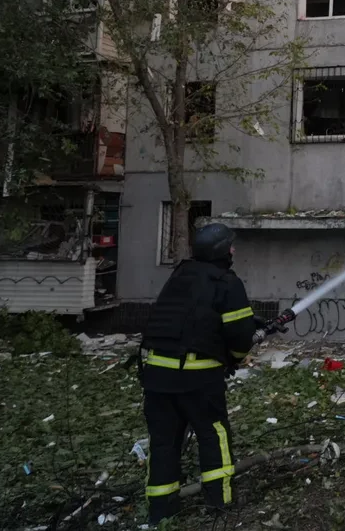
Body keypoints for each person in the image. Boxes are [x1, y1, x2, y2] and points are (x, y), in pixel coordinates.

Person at [139, 222, 256, 525]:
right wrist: (236, 358)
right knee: (212, 433)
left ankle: (161, 511)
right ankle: (220, 502)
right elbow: (241, 335)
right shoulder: (227, 283)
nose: (233, 250)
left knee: (163, 441)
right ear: (221, 250)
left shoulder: (179, 276)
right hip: (197, 377)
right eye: (230, 245)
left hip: (155, 376)